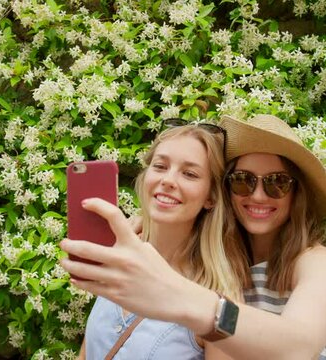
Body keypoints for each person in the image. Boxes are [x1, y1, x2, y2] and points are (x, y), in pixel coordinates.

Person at [61, 114, 326, 359]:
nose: (258, 195)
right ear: (223, 192)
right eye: (243, 181)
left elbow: (299, 346)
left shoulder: (318, 263)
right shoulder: (227, 262)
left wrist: (178, 295)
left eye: (277, 182)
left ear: (297, 193)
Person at [76, 121, 249, 359]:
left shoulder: (221, 297)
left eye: (189, 173)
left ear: (211, 197)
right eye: (160, 166)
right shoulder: (118, 255)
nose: (168, 180)